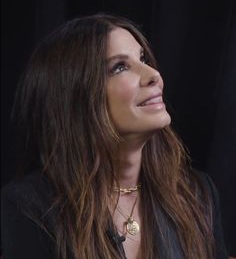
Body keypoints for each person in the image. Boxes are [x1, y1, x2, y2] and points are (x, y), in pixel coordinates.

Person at [1, 14, 228, 259]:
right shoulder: (31, 208)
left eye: (143, 58)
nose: (153, 74)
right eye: (120, 67)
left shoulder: (197, 194)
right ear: (77, 97)